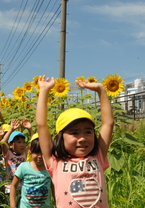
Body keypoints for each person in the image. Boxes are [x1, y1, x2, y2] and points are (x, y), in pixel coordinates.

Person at [36, 75, 114, 208]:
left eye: (88, 132)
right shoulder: (55, 161)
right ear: (59, 138)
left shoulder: (98, 155)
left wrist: (101, 90)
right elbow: (41, 125)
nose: (82, 138)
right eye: (74, 133)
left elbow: (108, 123)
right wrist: (44, 91)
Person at [10, 133, 52, 208]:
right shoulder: (24, 167)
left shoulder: (50, 168)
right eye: (36, 152)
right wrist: (13, 206)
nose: (40, 156)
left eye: (43, 153)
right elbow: (13, 185)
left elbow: (54, 188)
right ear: (30, 150)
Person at [0, 119, 28, 194]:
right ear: (10, 145)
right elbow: (2, 143)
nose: (22, 144)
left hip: (22, 186)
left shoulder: (24, 153)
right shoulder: (8, 153)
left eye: (23, 142)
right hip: (9, 186)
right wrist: (11, 129)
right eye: (19, 142)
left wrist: (30, 129)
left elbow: (35, 144)